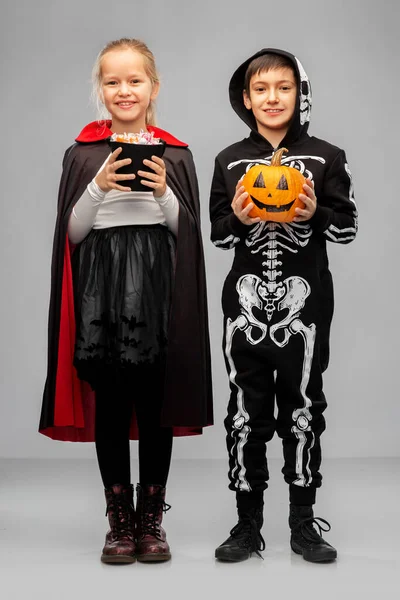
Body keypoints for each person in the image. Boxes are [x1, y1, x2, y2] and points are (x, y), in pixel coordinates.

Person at [40, 37, 213, 564]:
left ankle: (151, 519)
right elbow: (70, 236)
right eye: (112, 81)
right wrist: (97, 186)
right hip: (101, 287)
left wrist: (162, 189)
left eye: (134, 80)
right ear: (101, 89)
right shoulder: (83, 154)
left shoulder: (176, 155)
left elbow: (188, 234)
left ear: (152, 87)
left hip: (159, 287)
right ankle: (119, 523)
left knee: (155, 405)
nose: (124, 90)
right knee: (112, 404)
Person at [209, 48, 357, 563]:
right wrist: (239, 218)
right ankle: (247, 522)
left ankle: (301, 520)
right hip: (244, 307)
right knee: (245, 412)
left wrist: (316, 213)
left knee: (303, 406)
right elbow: (219, 238)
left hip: (306, 307)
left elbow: (347, 228)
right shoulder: (228, 160)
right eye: (262, 89)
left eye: (284, 88)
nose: (273, 98)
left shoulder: (326, 156)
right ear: (246, 99)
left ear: (300, 93)